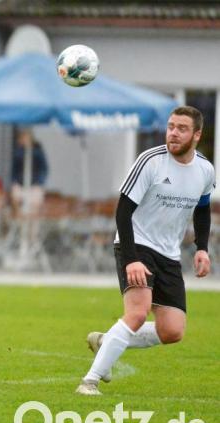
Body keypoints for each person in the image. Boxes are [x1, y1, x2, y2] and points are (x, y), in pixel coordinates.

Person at [76, 106, 214, 396]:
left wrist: (202, 248)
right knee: (137, 313)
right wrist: (131, 260)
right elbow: (122, 213)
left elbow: (202, 210)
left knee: (172, 331)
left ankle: (107, 341)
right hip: (136, 243)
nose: (173, 133)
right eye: (171, 126)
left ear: (197, 135)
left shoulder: (205, 169)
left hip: (169, 254)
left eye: (182, 128)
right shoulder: (150, 161)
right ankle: (89, 381)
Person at [10, 128, 48, 215]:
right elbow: (14, 168)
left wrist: (39, 181)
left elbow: (44, 168)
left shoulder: (38, 152)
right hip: (20, 182)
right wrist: (15, 181)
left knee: (35, 208)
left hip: (35, 183)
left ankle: (32, 225)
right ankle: (19, 222)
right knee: (16, 200)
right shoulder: (18, 153)